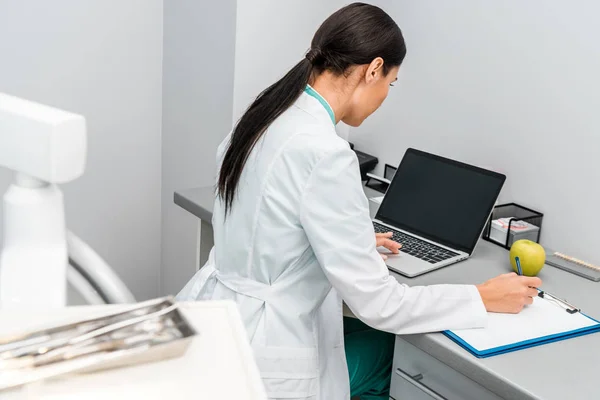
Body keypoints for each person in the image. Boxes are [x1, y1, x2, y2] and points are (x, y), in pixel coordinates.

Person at [177, 3, 542, 399]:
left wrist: (350, 241)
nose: (386, 94)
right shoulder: (326, 154)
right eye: (392, 82)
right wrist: (480, 296)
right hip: (265, 348)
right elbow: (381, 305)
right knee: (389, 353)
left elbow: (262, 223)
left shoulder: (261, 120)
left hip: (223, 323)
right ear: (373, 69)